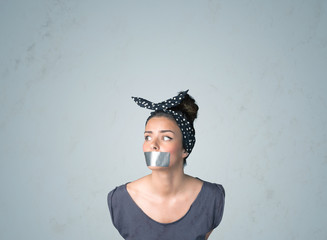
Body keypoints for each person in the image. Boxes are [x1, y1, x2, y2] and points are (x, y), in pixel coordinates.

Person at [107, 90, 225, 240]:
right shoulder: (120, 199)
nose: (153, 145)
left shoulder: (212, 197)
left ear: (185, 150)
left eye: (166, 137)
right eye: (148, 137)